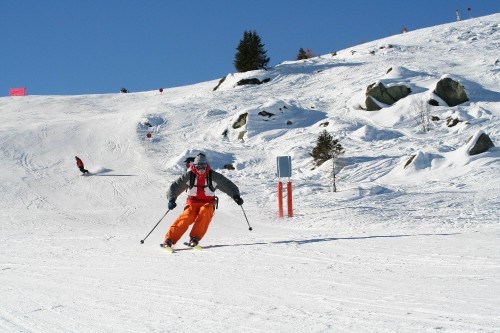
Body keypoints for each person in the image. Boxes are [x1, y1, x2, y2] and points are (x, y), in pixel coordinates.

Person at [163, 153, 244, 248]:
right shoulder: (189, 176)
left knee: (205, 212)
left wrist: (236, 196)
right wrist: (172, 198)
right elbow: (175, 186)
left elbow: (227, 185)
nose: (201, 170)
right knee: (187, 216)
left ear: (207, 166)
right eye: (198, 167)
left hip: (208, 202)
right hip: (192, 202)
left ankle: (194, 238)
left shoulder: (213, 176)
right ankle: (169, 239)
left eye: (203, 167)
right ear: (194, 166)